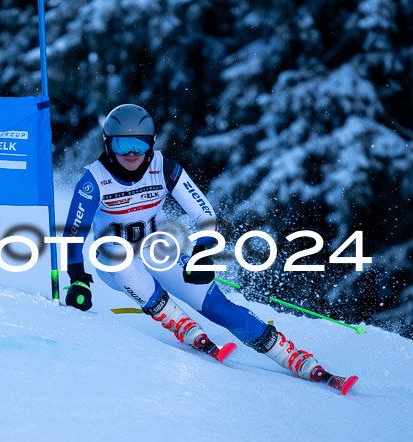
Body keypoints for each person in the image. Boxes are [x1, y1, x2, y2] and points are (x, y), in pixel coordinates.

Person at [62, 104, 356, 392]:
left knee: (217, 306)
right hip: (114, 264)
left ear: (151, 144)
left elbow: (205, 215)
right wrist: (77, 279)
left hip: (158, 252)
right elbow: (74, 234)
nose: (130, 153)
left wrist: (203, 252)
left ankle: (290, 355)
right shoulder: (94, 182)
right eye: (122, 144)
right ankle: (180, 324)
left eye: (138, 145)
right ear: (108, 144)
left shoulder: (165, 170)